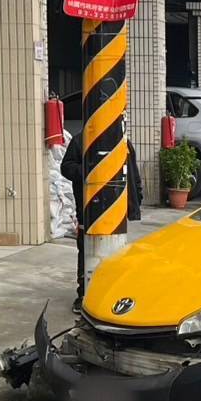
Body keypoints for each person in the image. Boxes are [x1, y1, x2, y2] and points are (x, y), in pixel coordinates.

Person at [60, 133, 143, 311]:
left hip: (116, 209)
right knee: (86, 252)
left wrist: (136, 200)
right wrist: (90, 170)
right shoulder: (81, 140)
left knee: (116, 253)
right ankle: (83, 293)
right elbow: (66, 168)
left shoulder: (123, 141)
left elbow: (133, 171)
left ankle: (111, 294)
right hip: (89, 208)